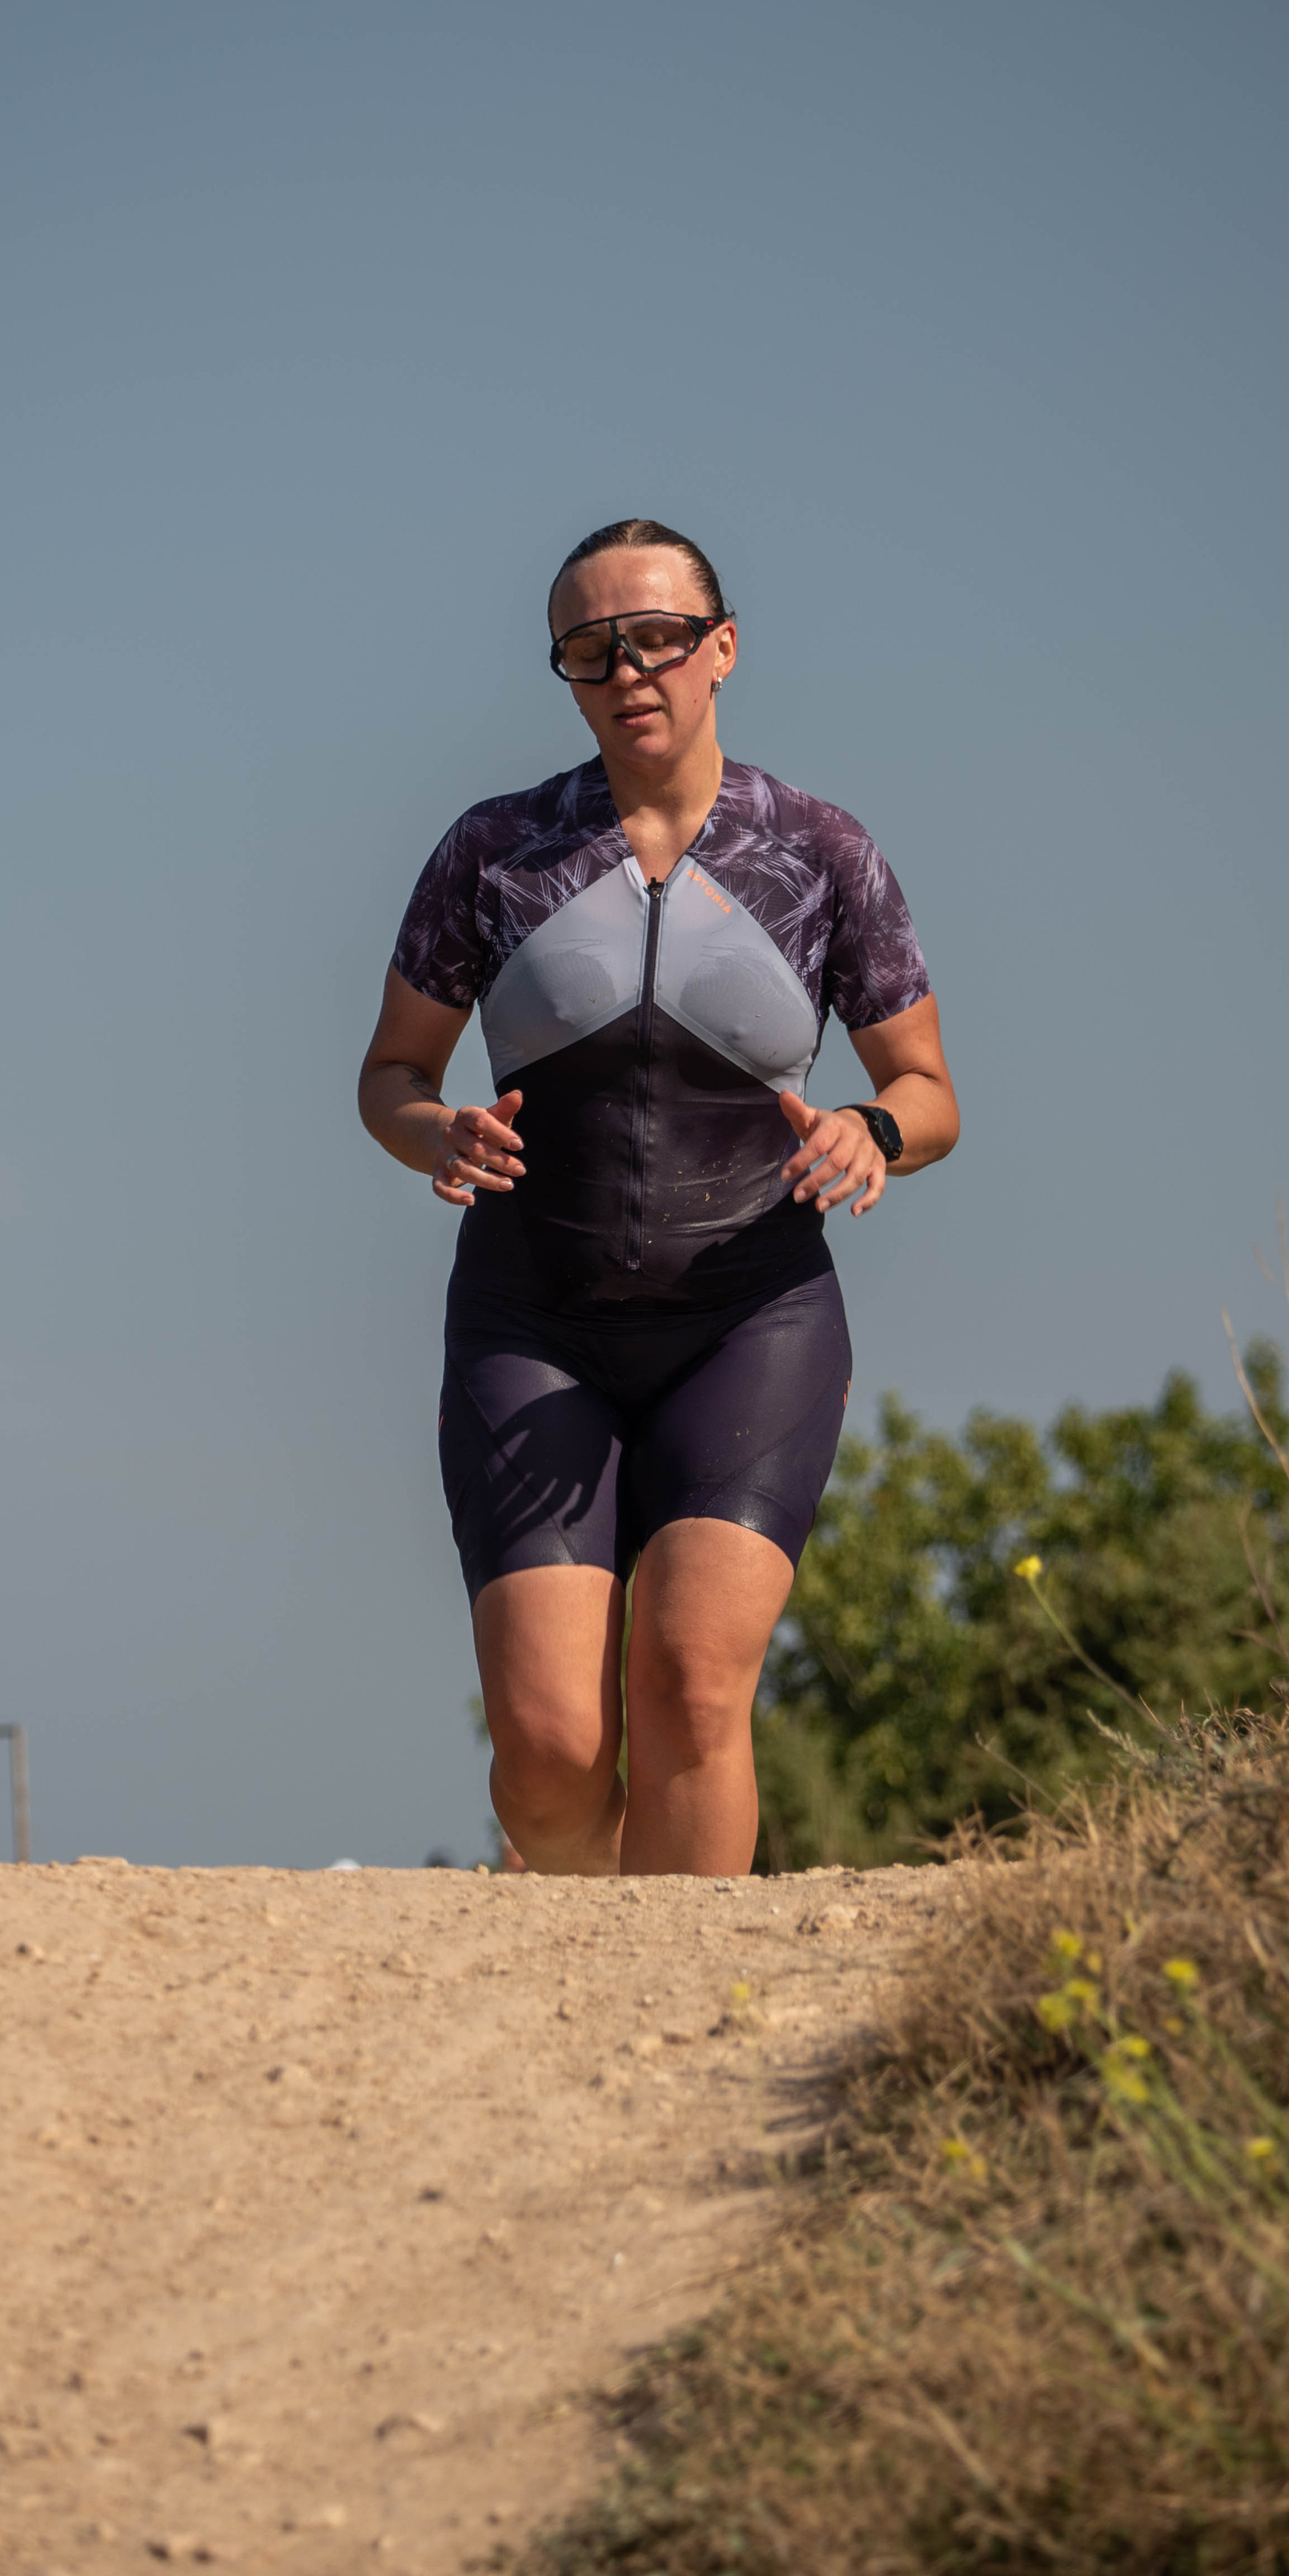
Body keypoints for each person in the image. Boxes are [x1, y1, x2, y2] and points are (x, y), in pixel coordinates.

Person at [357, 520, 958, 1876]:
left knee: (690, 1681)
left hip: (750, 1318)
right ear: (565, 672)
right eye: (592, 648)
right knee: (549, 1751)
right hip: (533, 1320)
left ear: (721, 648)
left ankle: (688, 1996)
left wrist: (871, 1128)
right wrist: (433, 1130)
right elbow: (391, 1072)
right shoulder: (497, 849)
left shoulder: (821, 850)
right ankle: (584, 1967)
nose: (629, 669)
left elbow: (929, 1090)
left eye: (660, 638)